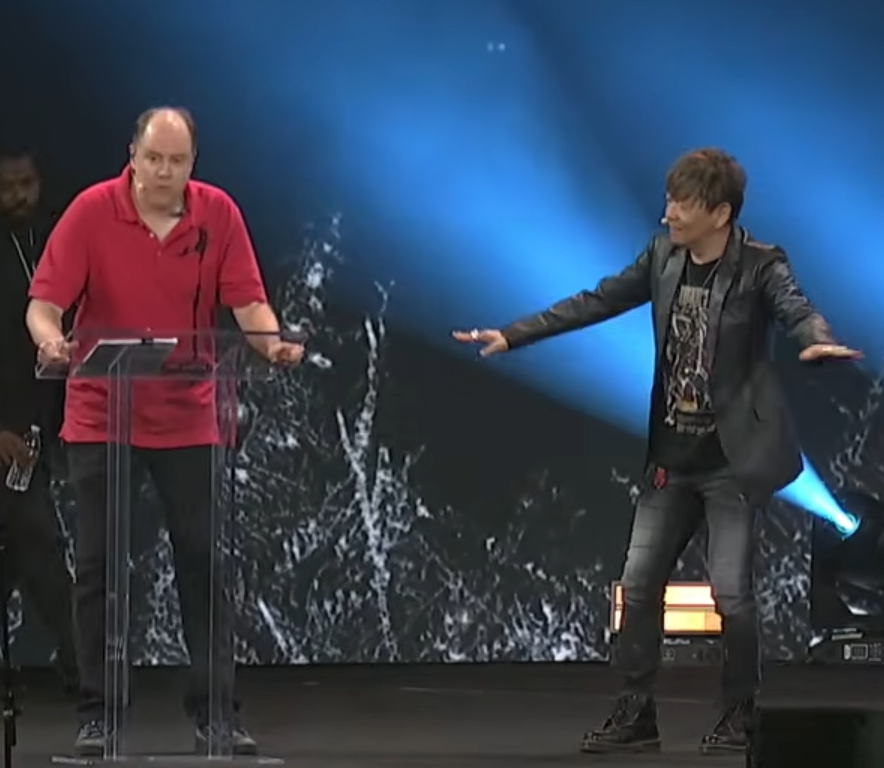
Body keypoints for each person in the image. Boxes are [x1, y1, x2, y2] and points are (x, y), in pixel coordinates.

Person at [453, 148, 861, 757]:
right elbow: (596, 300)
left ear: (719, 213)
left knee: (732, 595)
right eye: (669, 200)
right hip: (672, 460)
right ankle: (635, 715)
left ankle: (740, 713)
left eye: (681, 204)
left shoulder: (760, 264)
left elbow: (796, 308)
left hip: (731, 463)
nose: (668, 213)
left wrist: (817, 341)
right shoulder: (662, 256)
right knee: (638, 588)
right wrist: (514, 334)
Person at [25, 107, 304, 757]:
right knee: (100, 568)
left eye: (176, 162)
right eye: (153, 159)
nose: (163, 172)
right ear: (132, 155)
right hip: (103, 412)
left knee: (204, 563)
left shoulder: (218, 215)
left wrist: (271, 344)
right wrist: (51, 341)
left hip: (189, 413)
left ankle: (216, 713)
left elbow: (248, 302)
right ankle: (98, 714)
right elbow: (44, 304)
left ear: (192, 164)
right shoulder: (92, 211)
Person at [0, 146, 78, 693]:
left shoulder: (51, 243)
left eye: (24, 184)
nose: (16, 196)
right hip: (7, 432)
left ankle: (84, 666)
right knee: (37, 544)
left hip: (39, 426)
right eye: (6, 187)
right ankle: (86, 668)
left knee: (27, 548)